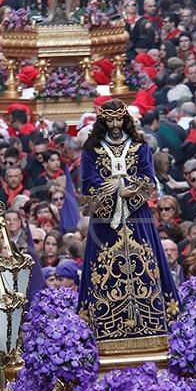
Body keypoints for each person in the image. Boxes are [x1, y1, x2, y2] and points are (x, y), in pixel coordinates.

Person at [78, 100, 179, 356]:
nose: (114, 125)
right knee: (103, 268)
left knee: (146, 265)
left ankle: (152, 326)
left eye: (118, 120)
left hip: (137, 216)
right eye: (109, 120)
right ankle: (105, 328)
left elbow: (148, 179)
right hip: (105, 221)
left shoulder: (140, 146)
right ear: (103, 122)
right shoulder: (91, 149)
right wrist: (111, 192)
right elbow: (88, 184)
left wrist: (126, 189)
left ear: (126, 120)